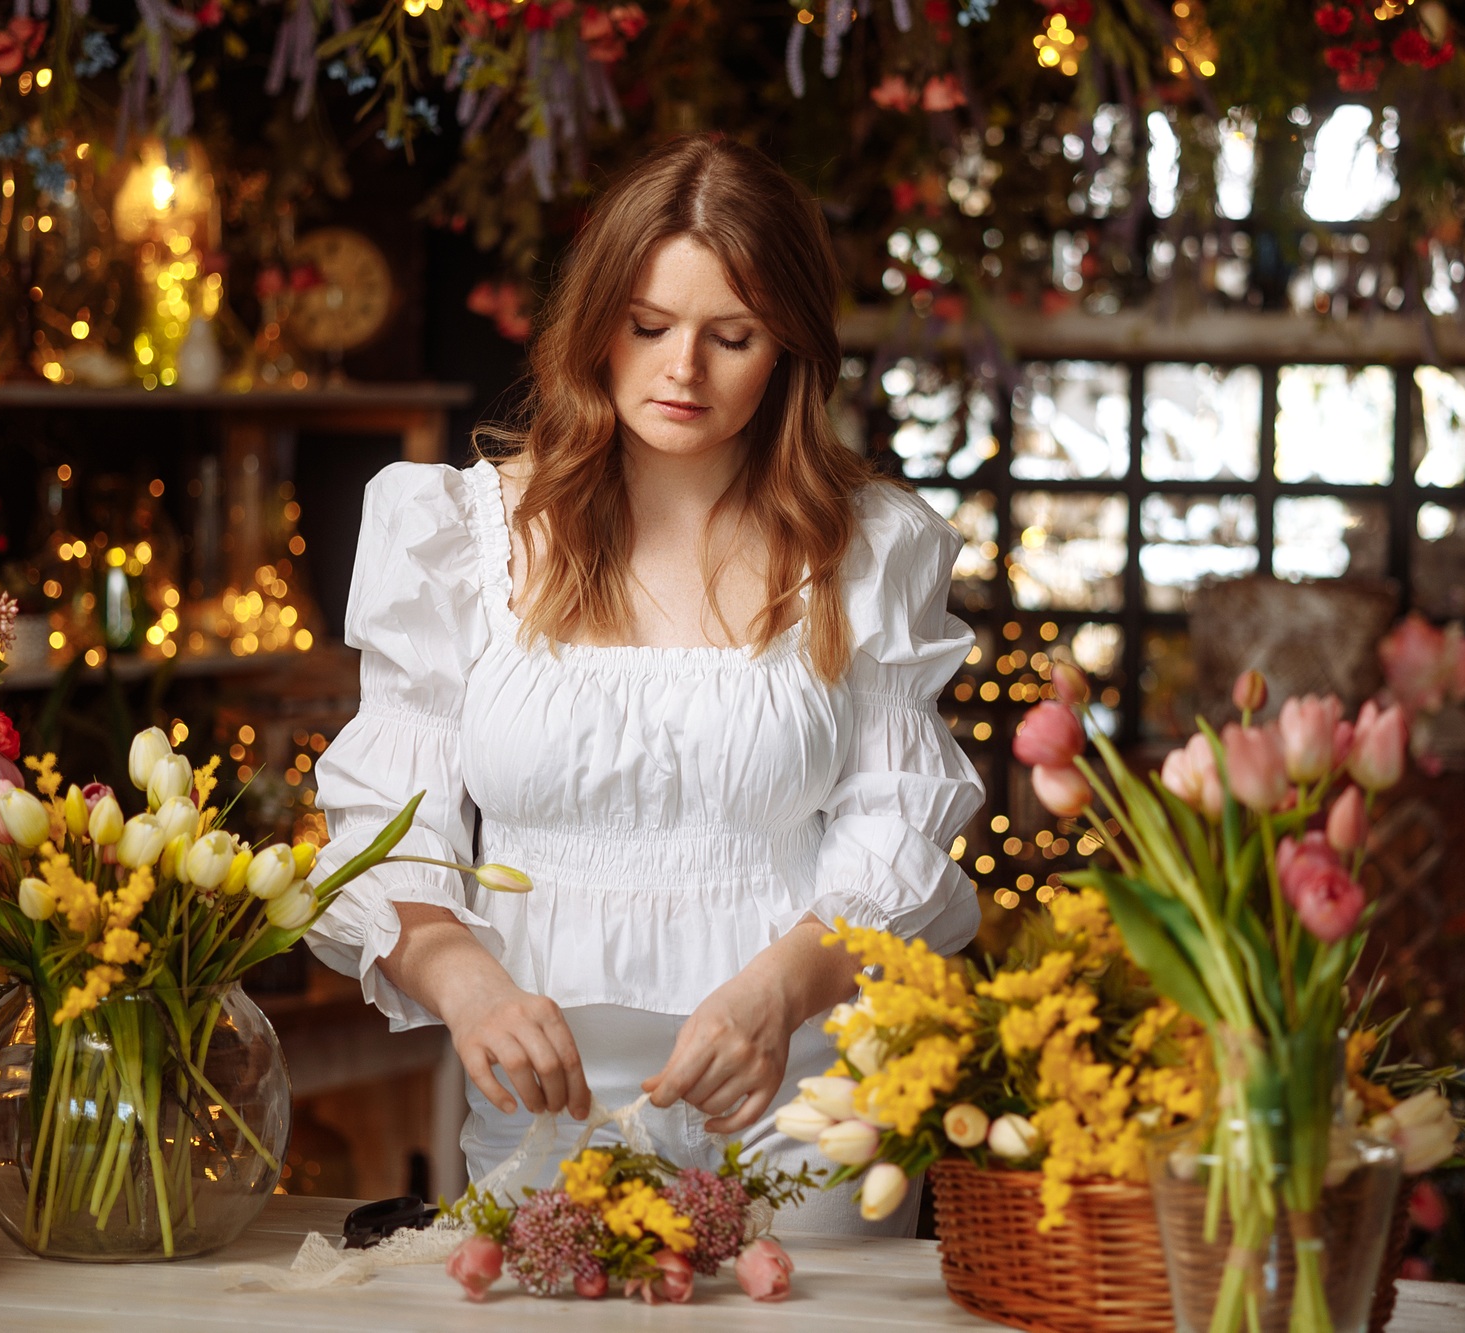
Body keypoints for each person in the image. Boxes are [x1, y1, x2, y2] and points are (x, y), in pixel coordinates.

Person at [307, 134, 983, 1235]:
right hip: (539, 1094)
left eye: (732, 336)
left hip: (799, 1092)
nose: (683, 371)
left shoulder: (868, 549)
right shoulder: (457, 533)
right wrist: (469, 987)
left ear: (788, 352)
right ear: (595, 325)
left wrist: (775, 997)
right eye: (649, 326)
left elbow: (893, 835)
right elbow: (392, 830)